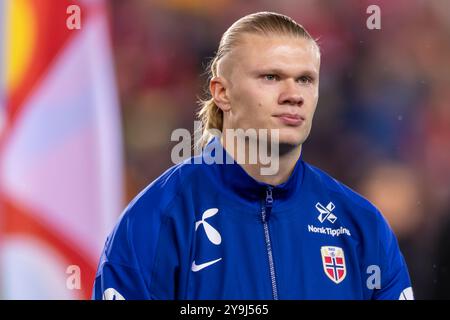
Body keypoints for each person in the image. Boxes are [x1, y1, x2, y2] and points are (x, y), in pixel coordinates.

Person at [92, 11, 413, 300]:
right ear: (222, 92)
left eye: (305, 79)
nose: (293, 95)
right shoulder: (156, 220)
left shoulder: (361, 225)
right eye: (270, 77)